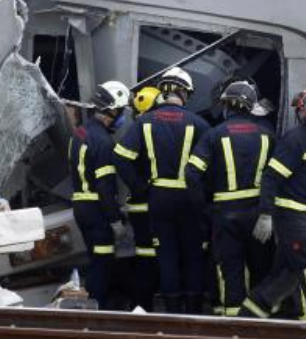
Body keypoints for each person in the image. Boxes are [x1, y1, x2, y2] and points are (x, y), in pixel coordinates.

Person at [240, 85, 306, 322]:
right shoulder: (296, 140)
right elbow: (271, 177)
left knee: (284, 279)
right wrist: (266, 215)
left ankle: (245, 321)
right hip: (293, 218)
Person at [115, 67, 211, 314]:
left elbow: (122, 157)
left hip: (159, 198)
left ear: (163, 91)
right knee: (193, 256)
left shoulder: (145, 121)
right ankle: (194, 311)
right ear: (184, 92)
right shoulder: (199, 123)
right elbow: (212, 165)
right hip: (190, 200)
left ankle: (172, 312)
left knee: (166, 256)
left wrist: (139, 186)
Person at [186, 80, 275, 316]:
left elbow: (192, 174)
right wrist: (269, 213)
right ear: (251, 106)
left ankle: (234, 322)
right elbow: (277, 178)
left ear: (227, 105)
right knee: (260, 268)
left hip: (225, 214)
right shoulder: (267, 135)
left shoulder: (214, 135)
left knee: (230, 269)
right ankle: (259, 321)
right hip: (259, 215)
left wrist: (203, 207)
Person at [68, 80, 131, 309]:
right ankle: (94, 313)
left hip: (81, 207)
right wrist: (115, 221)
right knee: (102, 263)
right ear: (112, 110)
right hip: (96, 212)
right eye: (121, 110)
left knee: (96, 260)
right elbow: (105, 188)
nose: (122, 116)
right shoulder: (103, 142)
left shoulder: (80, 134)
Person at [123, 85, 162, 311]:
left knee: (144, 257)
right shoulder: (146, 130)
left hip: (139, 205)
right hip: (147, 204)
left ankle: (140, 304)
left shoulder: (137, 129)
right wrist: (141, 188)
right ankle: (142, 306)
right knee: (149, 259)